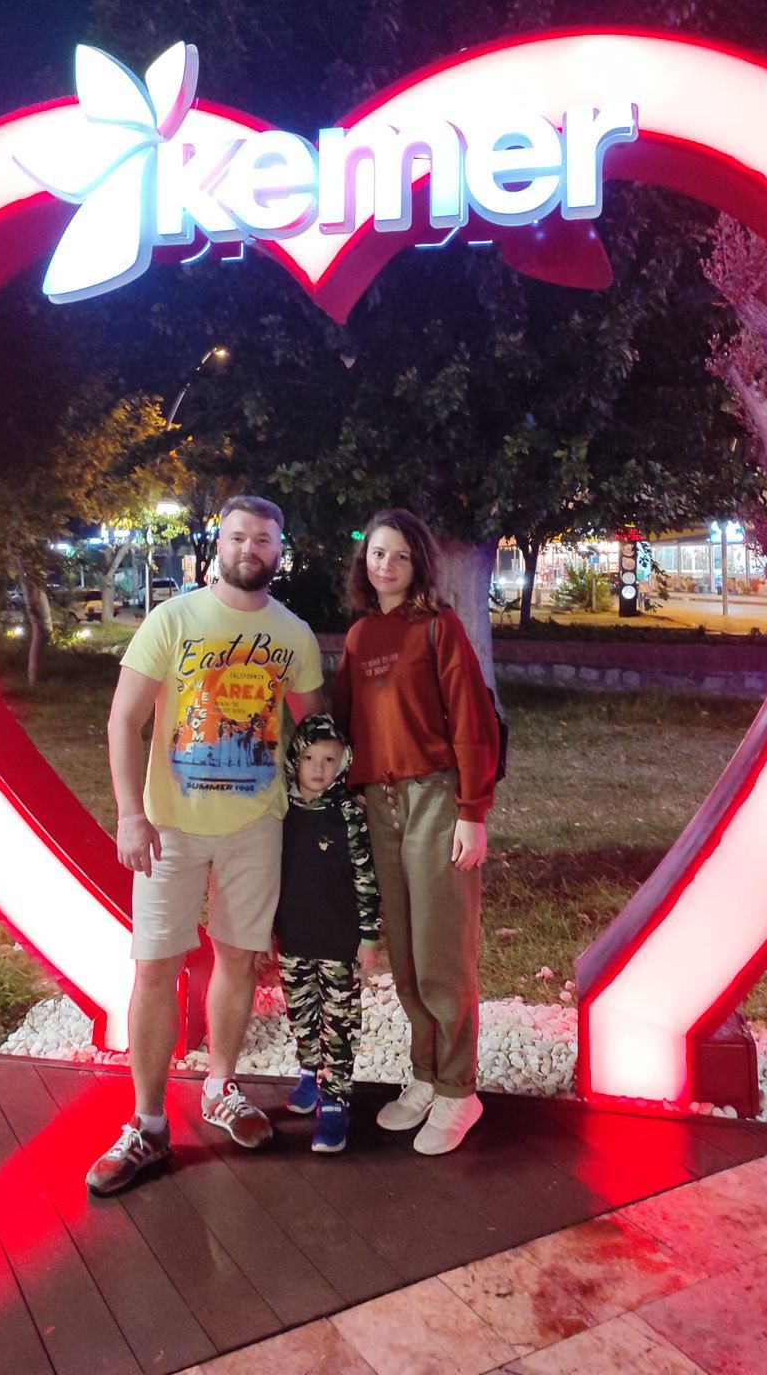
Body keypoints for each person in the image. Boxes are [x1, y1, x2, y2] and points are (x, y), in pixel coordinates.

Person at [86, 495, 325, 1194]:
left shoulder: (293, 635)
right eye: (239, 536)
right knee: (156, 967)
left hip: (256, 826)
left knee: (238, 959)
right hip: (171, 827)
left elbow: (315, 733)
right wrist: (130, 816)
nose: (251, 549)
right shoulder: (174, 619)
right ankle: (148, 1123)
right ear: (218, 544)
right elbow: (123, 720)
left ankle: (221, 1086)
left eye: (265, 539)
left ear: (279, 550)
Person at [332, 509, 499, 1156]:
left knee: (440, 953)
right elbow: (345, 726)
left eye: (401, 555)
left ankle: (460, 1090)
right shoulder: (359, 636)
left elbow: (472, 721)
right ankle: (426, 1076)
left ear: (418, 564)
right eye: (378, 553)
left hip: (434, 799)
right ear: (364, 561)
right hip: (379, 805)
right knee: (404, 954)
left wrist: (472, 812)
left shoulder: (439, 627)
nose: (388, 565)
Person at [274, 712, 380, 1154]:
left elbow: (366, 878)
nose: (318, 768)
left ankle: (335, 1099)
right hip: (293, 937)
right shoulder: (280, 812)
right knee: (301, 1012)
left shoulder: (350, 815)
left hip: (339, 942)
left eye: (329, 759)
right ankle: (308, 1073)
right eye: (309, 758)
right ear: (294, 760)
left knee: (339, 1022)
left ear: (344, 763)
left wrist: (369, 938)